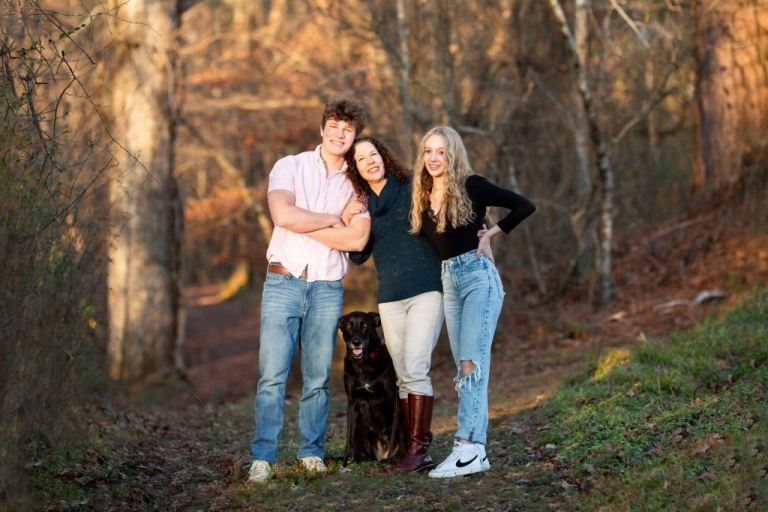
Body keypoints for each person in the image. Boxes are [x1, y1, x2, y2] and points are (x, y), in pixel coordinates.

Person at [248, 98, 371, 484]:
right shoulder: (290, 166)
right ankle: (263, 458)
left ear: (354, 136)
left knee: (317, 378)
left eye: (348, 130)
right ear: (322, 129)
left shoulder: (358, 182)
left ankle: (311, 453)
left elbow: (356, 240)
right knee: (272, 376)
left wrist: (311, 224)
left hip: (327, 288)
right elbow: (282, 215)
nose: (339, 134)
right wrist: (334, 220)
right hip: (283, 282)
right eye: (334, 126)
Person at [408, 126, 536, 478]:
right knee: (465, 367)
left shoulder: (471, 185)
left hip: (478, 277)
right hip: (450, 282)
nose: (434, 158)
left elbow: (525, 205)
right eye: (428, 151)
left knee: (470, 365)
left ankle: (468, 447)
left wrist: (490, 234)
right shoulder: (421, 196)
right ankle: (474, 448)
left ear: (453, 154)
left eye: (441, 152)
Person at [345, 136, 444, 473]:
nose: (369, 161)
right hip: (389, 300)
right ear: (356, 169)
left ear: (383, 156)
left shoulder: (411, 185)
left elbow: (447, 206)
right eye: (361, 159)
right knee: (402, 375)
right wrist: (348, 217)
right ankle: (407, 449)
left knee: (415, 368)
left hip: (427, 290)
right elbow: (358, 255)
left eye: (373, 154)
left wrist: (480, 228)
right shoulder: (364, 205)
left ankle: (419, 452)